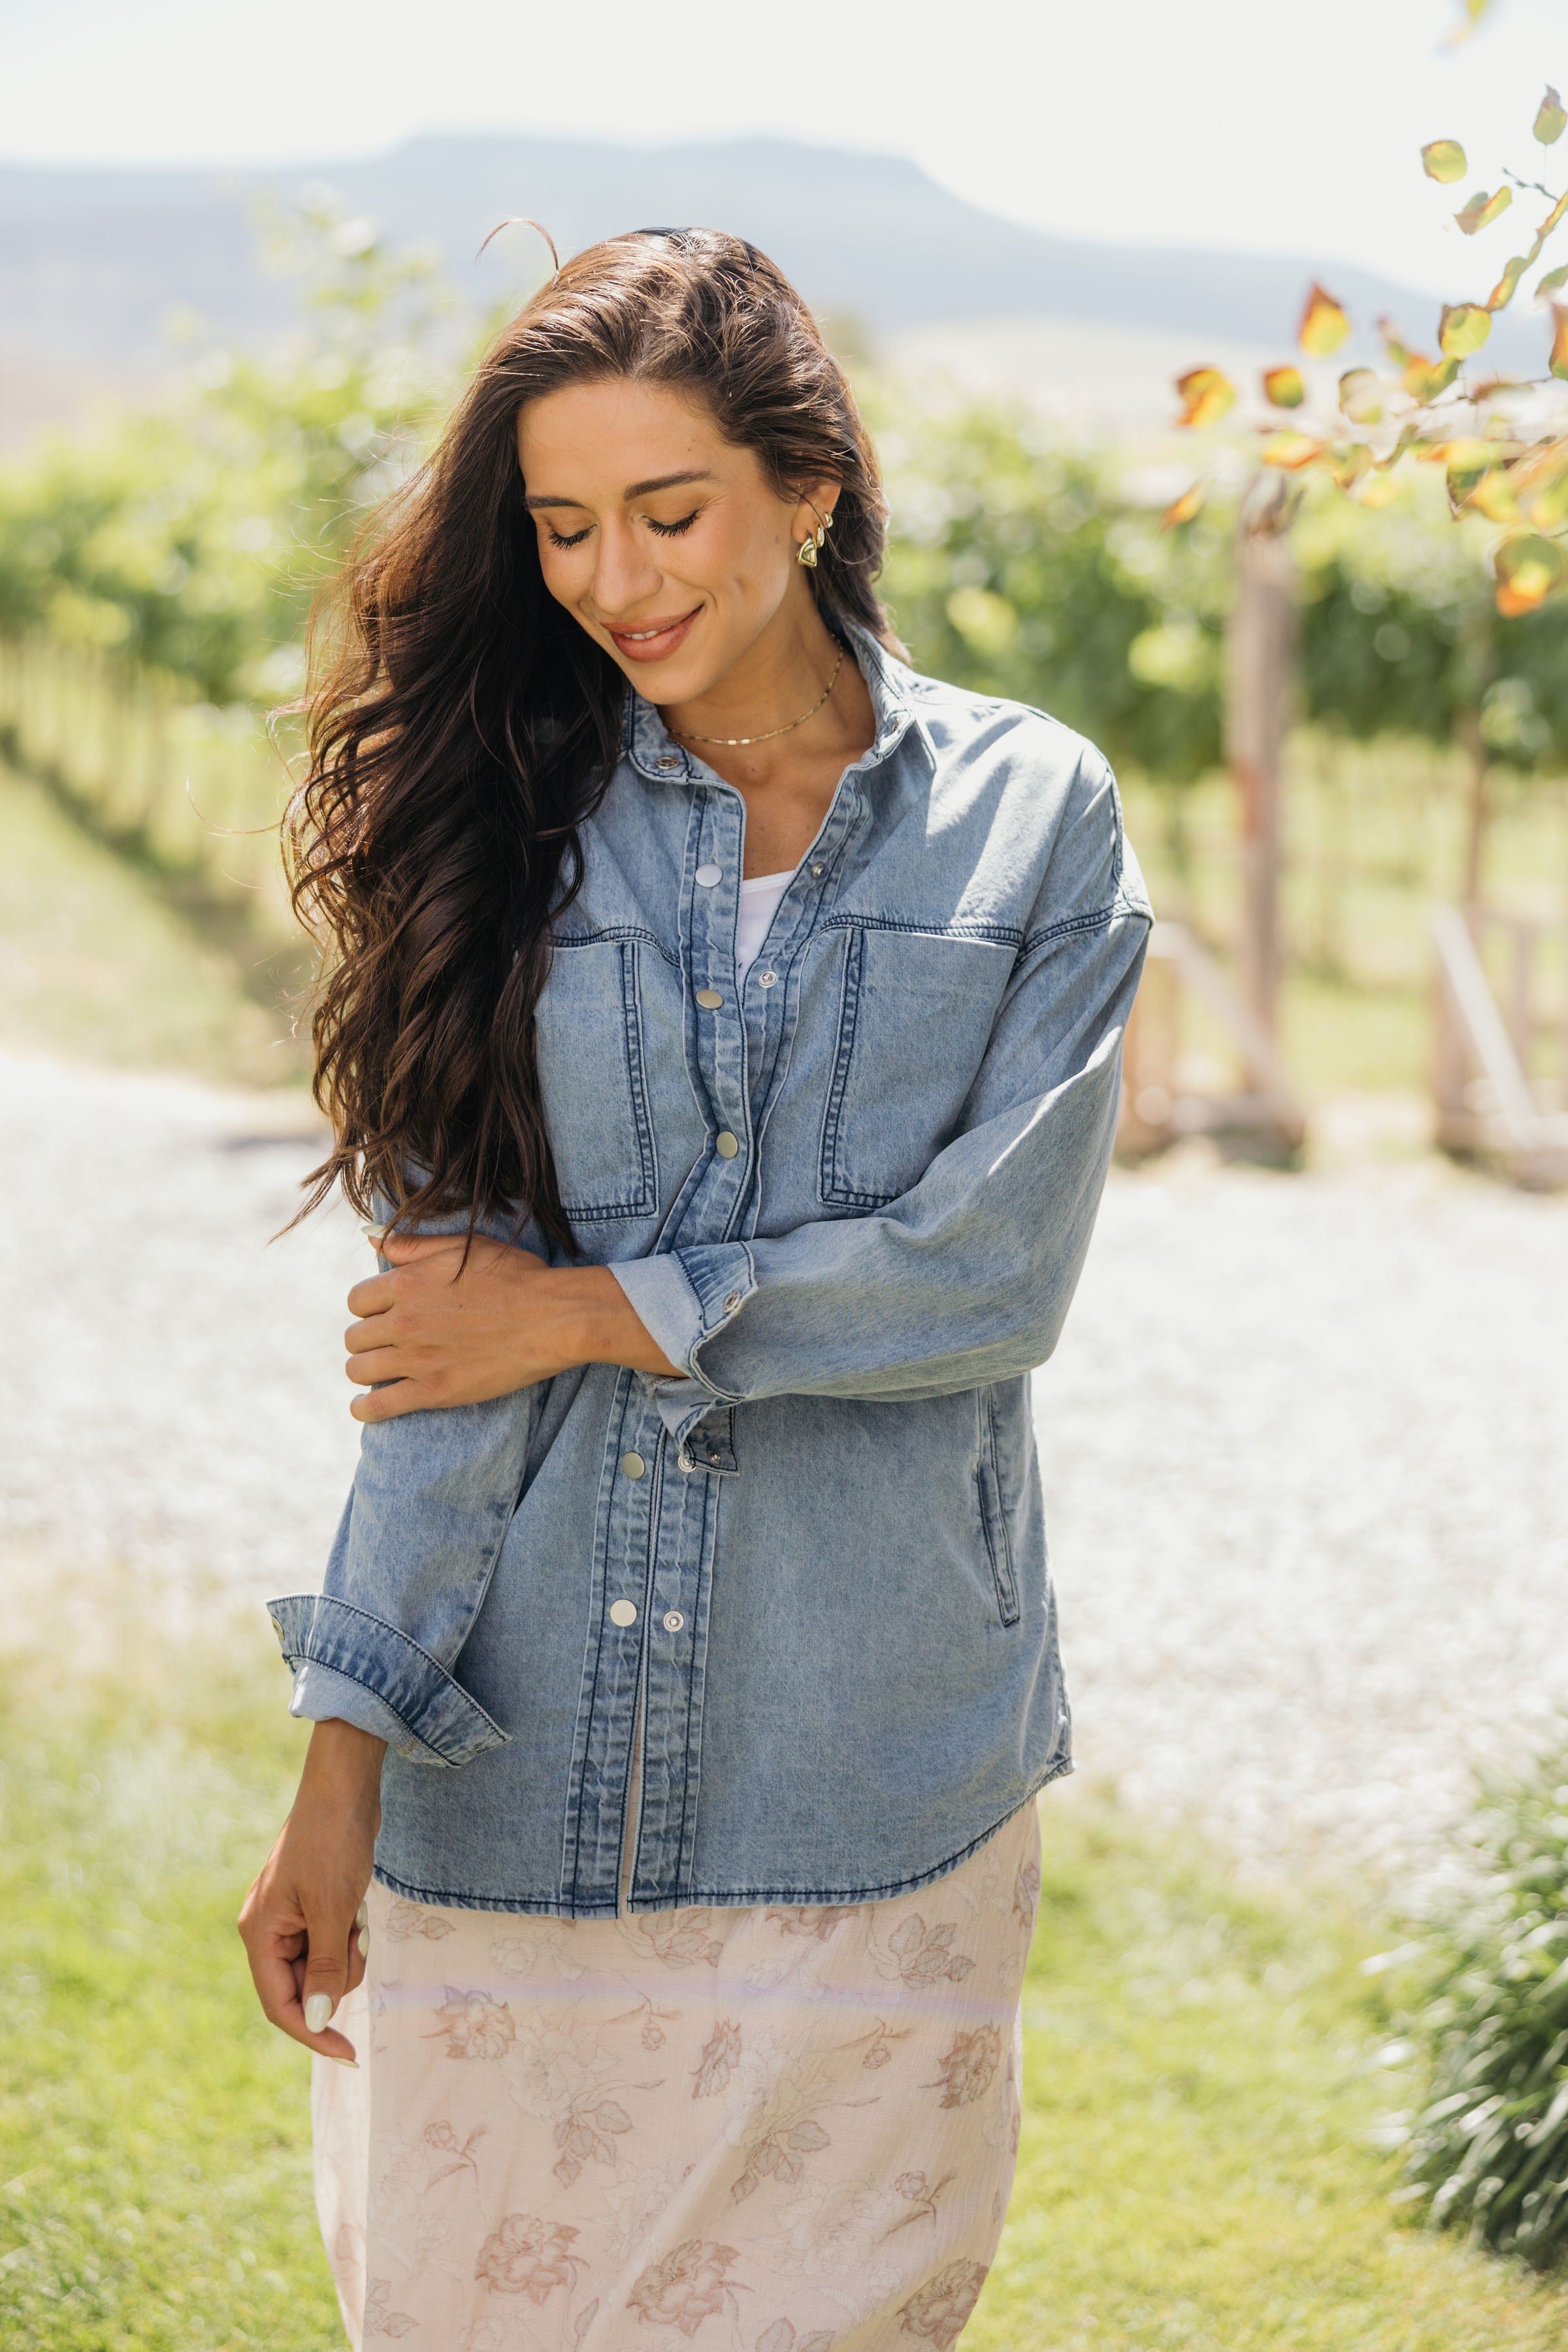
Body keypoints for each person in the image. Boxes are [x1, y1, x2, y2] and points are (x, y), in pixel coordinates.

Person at [238, 225, 1151, 2351]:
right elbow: (436, 1361)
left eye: (669, 512)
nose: (615, 580)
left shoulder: (1032, 820)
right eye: (564, 528)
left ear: (806, 488)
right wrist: (341, 1757)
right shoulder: (496, 832)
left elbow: (989, 1276)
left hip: (879, 1763)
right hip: (515, 1761)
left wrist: (583, 1309)